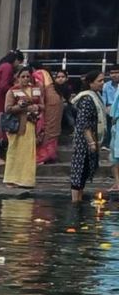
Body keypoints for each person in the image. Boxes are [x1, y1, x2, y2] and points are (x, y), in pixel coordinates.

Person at [2, 67, 41, 188]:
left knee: (28, 153)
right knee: (14, 151)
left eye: (27, 76)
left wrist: (37, 108)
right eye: (22, 76)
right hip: (17, 126)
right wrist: (22, 107)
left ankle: (26, 180)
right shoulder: (12, 91)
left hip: (31, 124)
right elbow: (8, 109)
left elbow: (42, 104)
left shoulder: (35, 90)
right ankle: (11, 179)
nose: (25, 79)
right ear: (17, 78)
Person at [71, 70, 106, 202]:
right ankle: (75, 202)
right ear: (91, 83)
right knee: (79, 170)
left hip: (92, 137)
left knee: (85, 171)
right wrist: (91, 142)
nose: (102, 83)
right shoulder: (86, 99)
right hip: (84, 141)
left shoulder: (96, 96)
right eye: (99, 81)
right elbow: (84, 123)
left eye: (103, 80)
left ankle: (79, 199)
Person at [0, 50, 24, 165]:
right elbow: (4, 86)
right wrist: (16, 91)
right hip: (0, 99)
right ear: (16, 59)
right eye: (19, 62)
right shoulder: (7, 67)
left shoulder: (1, 66)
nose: (18, 65)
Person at [33, 66, 63, 165]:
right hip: (56, 99)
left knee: (47, 127)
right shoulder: (46, 73)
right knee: (53, 127)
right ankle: (51, 154)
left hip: (49, 101)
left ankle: (43, 156)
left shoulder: (38, 73)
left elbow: (40, 88)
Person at [104, 65, 119, 150]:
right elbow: (103, 100)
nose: (114, 75)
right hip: (110, 110)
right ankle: (107, 143)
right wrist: (106, 108)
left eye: (117, 72)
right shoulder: (106, 85)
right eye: (112, 73)